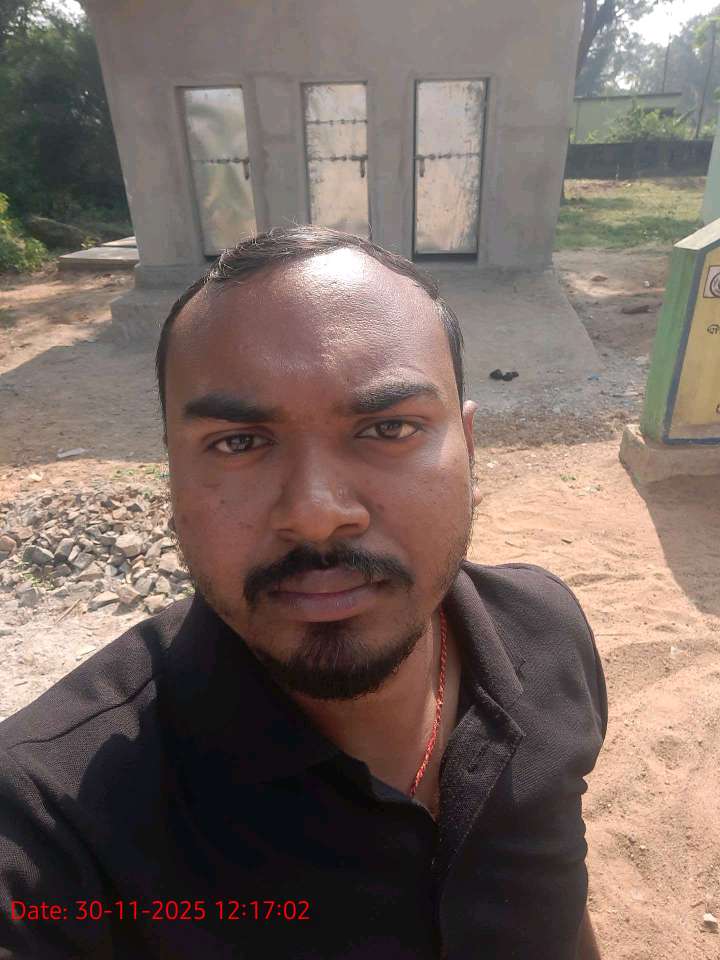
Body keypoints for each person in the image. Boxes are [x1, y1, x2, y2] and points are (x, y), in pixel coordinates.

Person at [0, 226, 607, 959]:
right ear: (172, 480)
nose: (317, 513)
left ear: (470, 451)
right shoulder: (48, 825)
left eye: (389, 427)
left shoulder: (547, 631)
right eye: (238, 442)